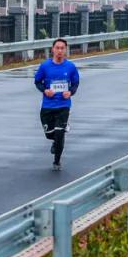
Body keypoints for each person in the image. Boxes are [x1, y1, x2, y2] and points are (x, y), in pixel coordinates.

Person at [34, 38, 80, 171]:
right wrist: (45, 90)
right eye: (57, 48)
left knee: (59, 133)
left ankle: (57, 161)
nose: (60, 51)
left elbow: (75, 83)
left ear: (65, 50)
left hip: (63, 106)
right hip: (48, 106)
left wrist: (70, 92)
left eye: (62, 48)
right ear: (53, 50)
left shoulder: (70, 67)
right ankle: (55, 140)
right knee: (50, 134)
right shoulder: (45, 66)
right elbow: (37, 82)